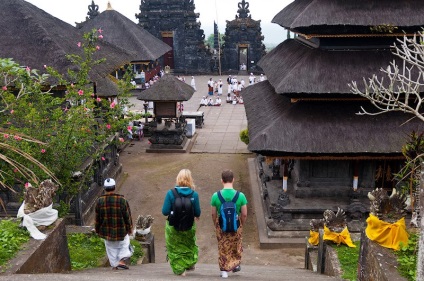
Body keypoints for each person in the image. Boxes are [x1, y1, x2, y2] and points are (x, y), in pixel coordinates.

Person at [162, 169, 201, 276]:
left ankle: (180, 269)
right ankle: (189, 263)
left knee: (174, 246)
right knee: (189, 244)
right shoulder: (194, 194)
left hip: (173, 226)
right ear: (190, 180)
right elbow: (198, 212)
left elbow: (165, 211)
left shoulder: (171, 193)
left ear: (178, 179)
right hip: (189, 225)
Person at [211, 170, 248, 278]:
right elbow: (244, 214)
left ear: (221, 180)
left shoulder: (215, 196)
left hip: (221, 225)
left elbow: (213, 214)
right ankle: (235, 264)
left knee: (223, 247)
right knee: (236, 245)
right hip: (236, 225)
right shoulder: (240, 196)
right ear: (233, 180)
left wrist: (216, 224)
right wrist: (241, 224)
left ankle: (224, 270)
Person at [95, 178, 133, 270]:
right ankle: (121, 262)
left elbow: (97, 218)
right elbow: (127, 216)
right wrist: (130, 228)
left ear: (104, 188)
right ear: (114, 187)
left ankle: (115, 265)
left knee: (111, 249)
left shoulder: (99, 201)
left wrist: (97, 230)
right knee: (124, 246)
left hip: (106, 230)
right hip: (121, 230)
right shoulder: (122, 200)